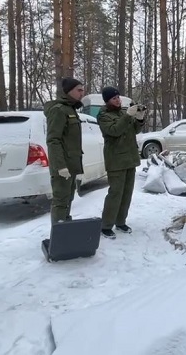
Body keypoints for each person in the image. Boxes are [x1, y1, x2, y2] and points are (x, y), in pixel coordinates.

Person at [97, 87, 146, 239]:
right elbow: (114, 131)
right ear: (107, 100)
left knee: (126, 193)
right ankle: (106, 225)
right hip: (116, 160)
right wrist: (127, 116)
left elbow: (134, 130)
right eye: (114, 98)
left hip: (130, 158)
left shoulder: (122, 112)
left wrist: (139, 119)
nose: (118, 100)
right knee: (115, 193)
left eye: (118, 97)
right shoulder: (103, 115)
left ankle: (120, 221)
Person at [44, 77, 86, 223]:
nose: (82, 93)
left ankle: (66, 228)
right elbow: (53, 140)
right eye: (79, 90)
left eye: (82, 90)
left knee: (68, 198)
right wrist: (60, 166)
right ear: (69, 91)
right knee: (61, 201)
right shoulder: (59, 110)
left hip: (71, 165)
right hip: (62, 166)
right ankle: (59, 231)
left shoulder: (70, 109)